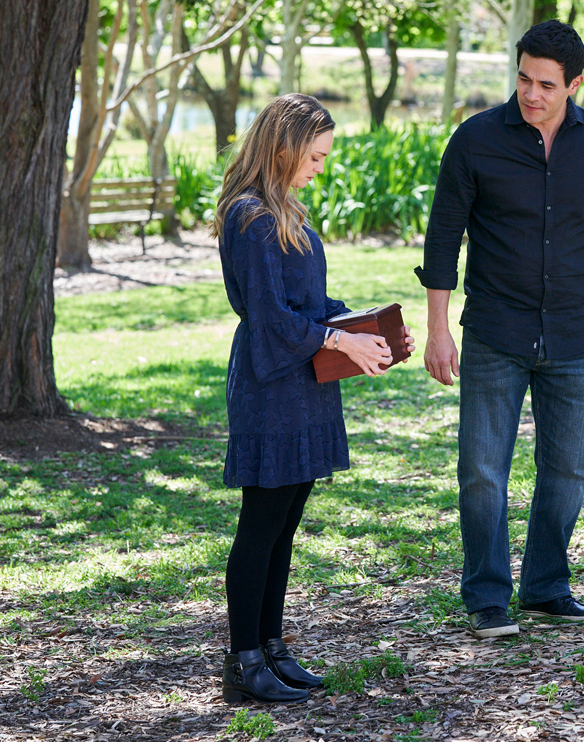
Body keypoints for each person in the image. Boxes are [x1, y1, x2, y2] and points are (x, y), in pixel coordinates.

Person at [415, 20, 584, 638]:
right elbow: (442, 240)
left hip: (574, 335)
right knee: (482, 471)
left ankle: (546, 588)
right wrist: (438, 330)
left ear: (575, 84)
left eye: (546, 84)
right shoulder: (475, 139)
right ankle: (487, 595)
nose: (531, 93)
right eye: (523, 78)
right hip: (495, 330)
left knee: (570, 469)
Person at [212, 93, 414, 703]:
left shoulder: (287, 213)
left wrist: (369, 332)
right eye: (316, 156)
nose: (320, 168)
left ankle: (272, 647)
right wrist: (340, 341)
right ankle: (243, 659)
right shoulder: (249, 217)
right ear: (284, 148)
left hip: (305, 385)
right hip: (271, 386)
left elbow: (312, 305)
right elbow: (271, 317)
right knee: (261, 524)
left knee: (284, 525)